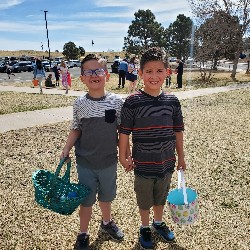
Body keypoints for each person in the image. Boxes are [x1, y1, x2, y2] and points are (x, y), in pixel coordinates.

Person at [119, 47, 186, 250]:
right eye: (149, 71)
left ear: (167, 72)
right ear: (140, 74)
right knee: (144, 199)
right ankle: (145, 227)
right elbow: (124, 132)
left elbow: (178, 131)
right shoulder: (132, 102)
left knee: (161, 196)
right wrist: (123, 156)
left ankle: (158, 223)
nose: (154, 76)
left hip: (167, 162)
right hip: (143, 164)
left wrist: (181, 157)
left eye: (159, 71)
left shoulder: (172, 101)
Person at [60, 54, 124, 250]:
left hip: (109, 161)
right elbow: (76, 128)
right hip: (85, 162)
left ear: (107, 75)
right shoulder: (80, 103)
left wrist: (125, 155)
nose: (94, 75)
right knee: (86, 200)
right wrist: (66, 147)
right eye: (89, 71)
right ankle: (83, 233)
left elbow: (122, 132)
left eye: (99, 71)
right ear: (82, 77)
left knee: (106, 196)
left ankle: (106, 222)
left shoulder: (116, 102)